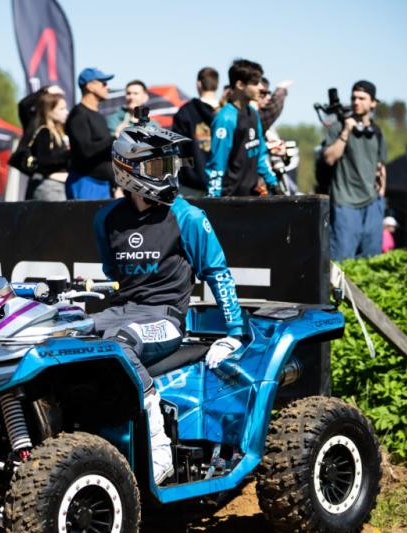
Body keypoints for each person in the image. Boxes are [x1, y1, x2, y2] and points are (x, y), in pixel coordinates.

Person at [93, 119, 245, 484]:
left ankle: (159, 451)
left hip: (166, 319)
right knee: (63, 338)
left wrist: (235, 333)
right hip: (120, 312)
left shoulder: (188, 216)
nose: (169, 175)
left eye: (171, 165)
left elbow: (218, 273)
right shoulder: (106, 219)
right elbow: (114, 275)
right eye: (159, 166)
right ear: (128, 169)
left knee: (119, 345)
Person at [322, 80, 387, 261]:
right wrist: (346, 131)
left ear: (373, 103)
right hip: (345, 204)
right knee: (342, 262)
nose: (356, 102)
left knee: (372, 261)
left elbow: (381, 165)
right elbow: (329, 158)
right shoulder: (338, 127)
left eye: (362, 98)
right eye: (353, 98)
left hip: (372, 204)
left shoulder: (377, 132)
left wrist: (381, 195)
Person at [205, 59, 279, 197]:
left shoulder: (253, 114)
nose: (261, 88)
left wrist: (273, 183)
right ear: (240, 85)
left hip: (251, 196)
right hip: (229, 198)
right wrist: (214, 199)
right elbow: (217, 163)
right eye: (255, 83)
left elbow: (260, 154)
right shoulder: (225, 118)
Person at [66, 67, 115, 200]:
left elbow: (105, 151)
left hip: (104, 185)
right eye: (103, 83)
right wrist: (114, 138)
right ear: (90, 86)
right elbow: (86, 150)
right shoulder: (78, 115)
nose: (107, 87)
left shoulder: (99, 116)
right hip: (86, 183)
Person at [172, 67, 219, 197]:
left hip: (191, 184)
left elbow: (176, 149)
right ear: (217, 85)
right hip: (221, 183)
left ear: (199, 84)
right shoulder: (227, 113)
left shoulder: (185, 112)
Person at [25, 92, 70, 201]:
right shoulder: (44, 132)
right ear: (49, 111)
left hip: (60, 186)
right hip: (50, 187)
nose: (66, 112)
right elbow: (44, 160)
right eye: (61, 109)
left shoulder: (59, 133)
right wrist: (69, 154)